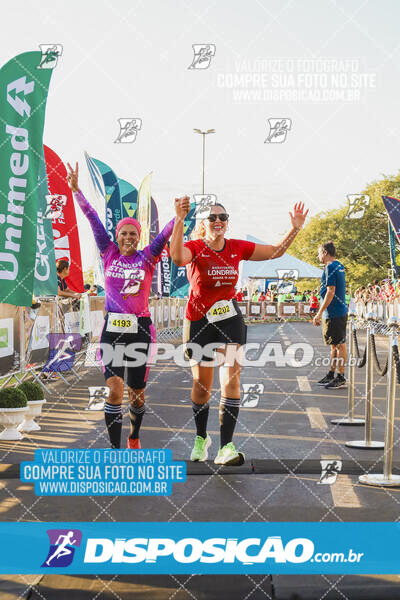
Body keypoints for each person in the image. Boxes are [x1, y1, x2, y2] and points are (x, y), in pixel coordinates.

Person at [170, 198, 308, 465]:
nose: (218, 221)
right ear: (203, 223)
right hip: (199, 320)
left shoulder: (236, 248)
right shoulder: (195, 247)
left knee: (231, 381)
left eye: (223, 216)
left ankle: (227, 447)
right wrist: (178, 220)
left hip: (229, 319)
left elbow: (275, 251)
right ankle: (201, 438)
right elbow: (177, 258)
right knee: (201, 387)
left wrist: (295, 229)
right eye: (212, 218)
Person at [66, 162, 175, 450]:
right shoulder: (107, 250)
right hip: (112, 329)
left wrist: (179, 216)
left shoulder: (148, 257)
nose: (128, 237)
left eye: (133, 233)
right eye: (124, 233)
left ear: (139, 237)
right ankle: (115, 451)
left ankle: (134, 435)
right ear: (117, 236)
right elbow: (91, 218)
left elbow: (164, 235)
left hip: (141, 330)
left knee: (136, 394)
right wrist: (76, 191)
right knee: (114, 389)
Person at [313, 241, 348, 389]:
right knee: (334, 345)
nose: (318, 256)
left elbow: (331, 291)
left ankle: (340, 377)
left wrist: (319, 313)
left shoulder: (330, 267)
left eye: (319, 253)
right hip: (336, 312)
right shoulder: (339, 265)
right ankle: (331, 374)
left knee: (339, 345)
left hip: (334, 312)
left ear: (325, 253)